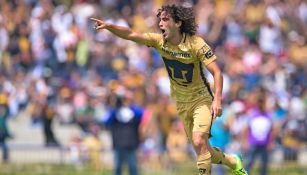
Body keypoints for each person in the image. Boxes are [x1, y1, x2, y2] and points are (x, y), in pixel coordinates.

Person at [91, 4, 248, 175]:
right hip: (181, 103)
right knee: (204, 150)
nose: (160, 24)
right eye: (160, 20)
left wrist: (217, 99)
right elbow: (131, 34)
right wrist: (109, 27)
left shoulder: (196, 44)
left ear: (178, 23)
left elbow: (217, 72)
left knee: (198, 139)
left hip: (201, 100)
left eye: (165, 20)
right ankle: (233, 161)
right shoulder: (159, 42)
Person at [104, 91, 143, 175]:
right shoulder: (115, 112)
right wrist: (114, 106)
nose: (124, 101)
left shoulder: (133, 112)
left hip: (131, 144)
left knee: (133, 167)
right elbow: (106, 121)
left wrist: (130, 105)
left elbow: (141, 113)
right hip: (118, 144)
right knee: (117, 167)